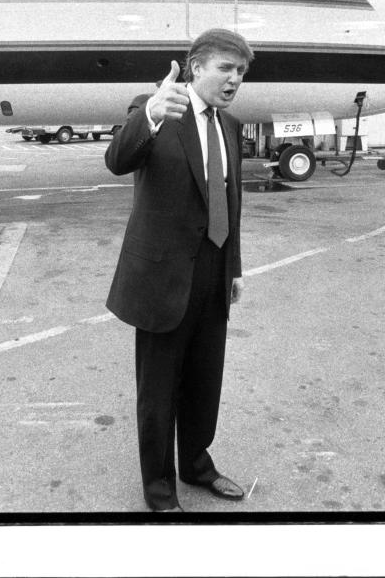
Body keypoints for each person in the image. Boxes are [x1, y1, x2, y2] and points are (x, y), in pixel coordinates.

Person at [104, 28, 253, 512]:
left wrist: (232, 268)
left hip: (212, 269)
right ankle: (160, 489)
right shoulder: (156, 107)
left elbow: (230, 200)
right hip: (162, 276)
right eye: (226, 68)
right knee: (159, 390)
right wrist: (148, 113)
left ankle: (197, 465)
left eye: (242, 72)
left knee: (204, 380)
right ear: (196, 69)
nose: (235, 80)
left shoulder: (230, 125)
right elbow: (117, 159)